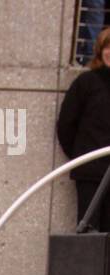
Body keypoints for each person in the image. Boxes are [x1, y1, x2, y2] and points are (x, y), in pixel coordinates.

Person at [57, 25, 110, 233]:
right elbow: (66, 125)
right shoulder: (86, 83)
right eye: (108, 47)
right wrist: (84, 156)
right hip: (91, 172)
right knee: (88, 233)